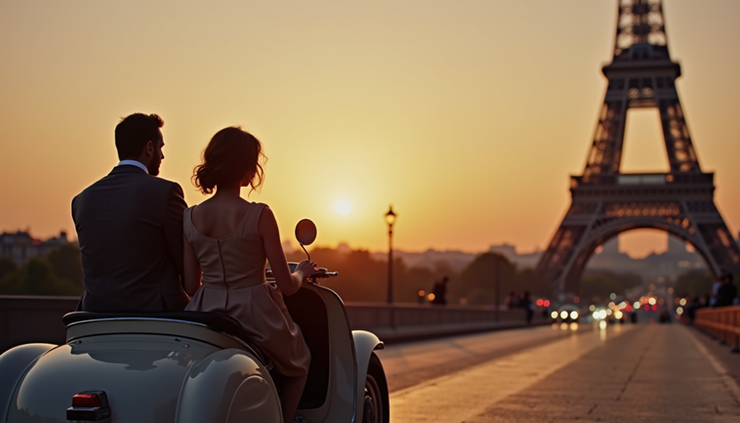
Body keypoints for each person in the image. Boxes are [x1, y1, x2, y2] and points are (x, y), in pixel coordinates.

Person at [182, 127, 314, 423]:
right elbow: (286, 286)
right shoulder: (260, 214)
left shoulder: (189, 217)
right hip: (255, 314)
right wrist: (302, 273)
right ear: (247, 168)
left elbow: (191, 285)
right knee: (299, 362)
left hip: (205, 314)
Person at [72, 113, 189, 312]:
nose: (162, 156)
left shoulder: (82, 199)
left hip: (93, 316)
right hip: (158, 317)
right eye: (161, 148)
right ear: (149, 147)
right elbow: (186, 265)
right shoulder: (165, 193)